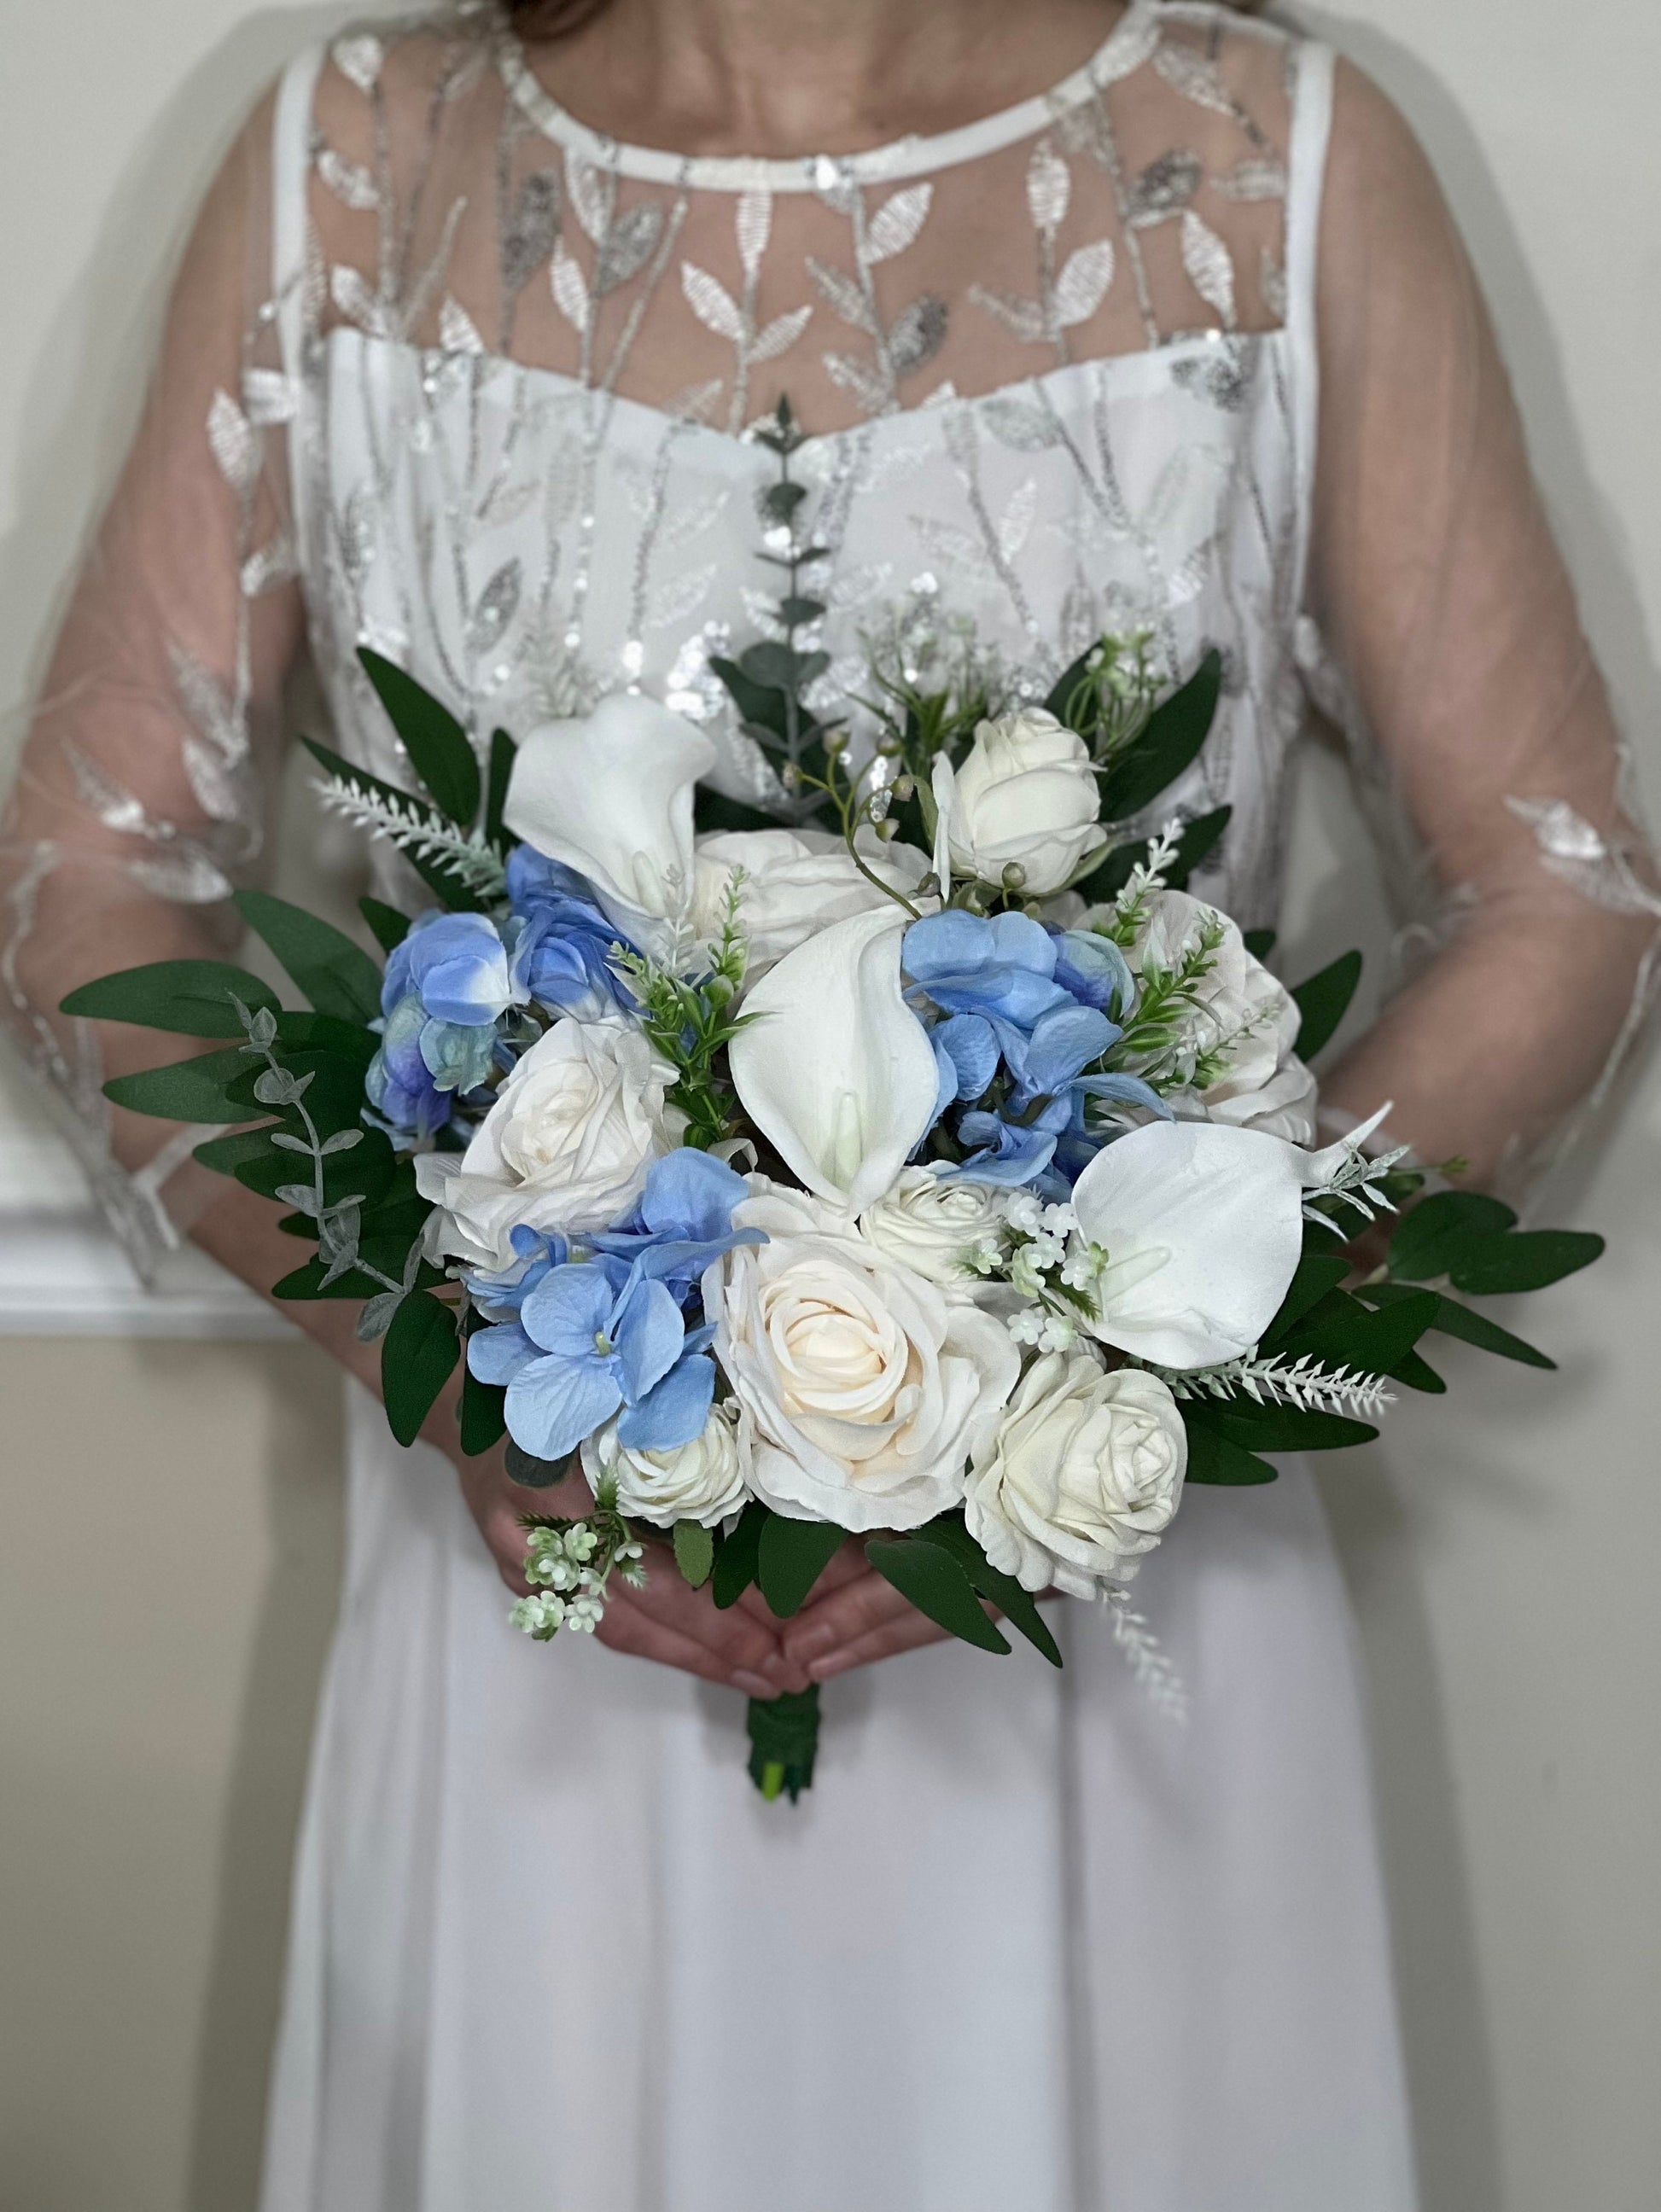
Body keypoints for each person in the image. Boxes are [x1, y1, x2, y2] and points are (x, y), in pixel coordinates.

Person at [3, 2, 1656, 2205]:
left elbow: (1558, 893)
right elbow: (90, 873)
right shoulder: (354, 160)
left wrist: (1120, 1360)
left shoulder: (1279, 157)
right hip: (557, 1579)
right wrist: (437, 1364)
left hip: (1109, 1600)